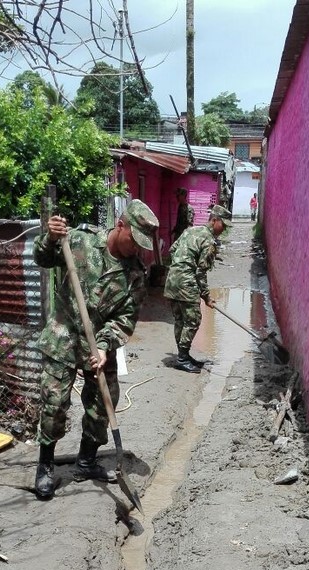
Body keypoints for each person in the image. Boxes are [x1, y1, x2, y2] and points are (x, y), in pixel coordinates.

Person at [33, 199, 159, 500]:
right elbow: (43, 258)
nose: (136, 249)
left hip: (97, 343)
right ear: (120, 225)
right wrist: (49, 238)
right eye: (134, 240)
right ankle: (45, 466)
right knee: (54, 402)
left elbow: (125, 319)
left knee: (105, 401)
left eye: (143, 245)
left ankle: (87, 462)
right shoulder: (79, 240)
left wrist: (104, 346)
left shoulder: (135, 276)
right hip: (63, 336)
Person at [163, 204, 232, 373]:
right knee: (193, 320)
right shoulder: (209, 241)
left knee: (180, 319)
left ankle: (183, 356)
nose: (224, 230)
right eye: (223, 225)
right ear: (214, 220)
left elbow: (172, 251)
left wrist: (179, 267)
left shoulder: (190, 231)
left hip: (172, 280)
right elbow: (201, 272)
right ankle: (182, 358)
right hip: (187, 283)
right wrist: (207, 296)